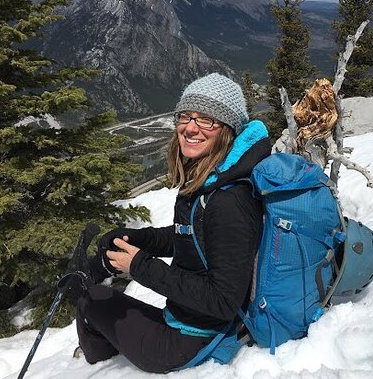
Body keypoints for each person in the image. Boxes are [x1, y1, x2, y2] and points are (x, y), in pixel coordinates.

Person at [66, 73, 271, 373]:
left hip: (190, 341)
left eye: (206, 120)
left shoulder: (229, 201)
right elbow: (196, 238)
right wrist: (141, 239)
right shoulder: (211, 180)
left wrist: (139, 266)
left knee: (90, 301)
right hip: (188, 324)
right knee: (102, 301)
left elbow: (223, 300)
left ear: (227, 129)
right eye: (185, 116)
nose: (190, 128)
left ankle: (101, 365)